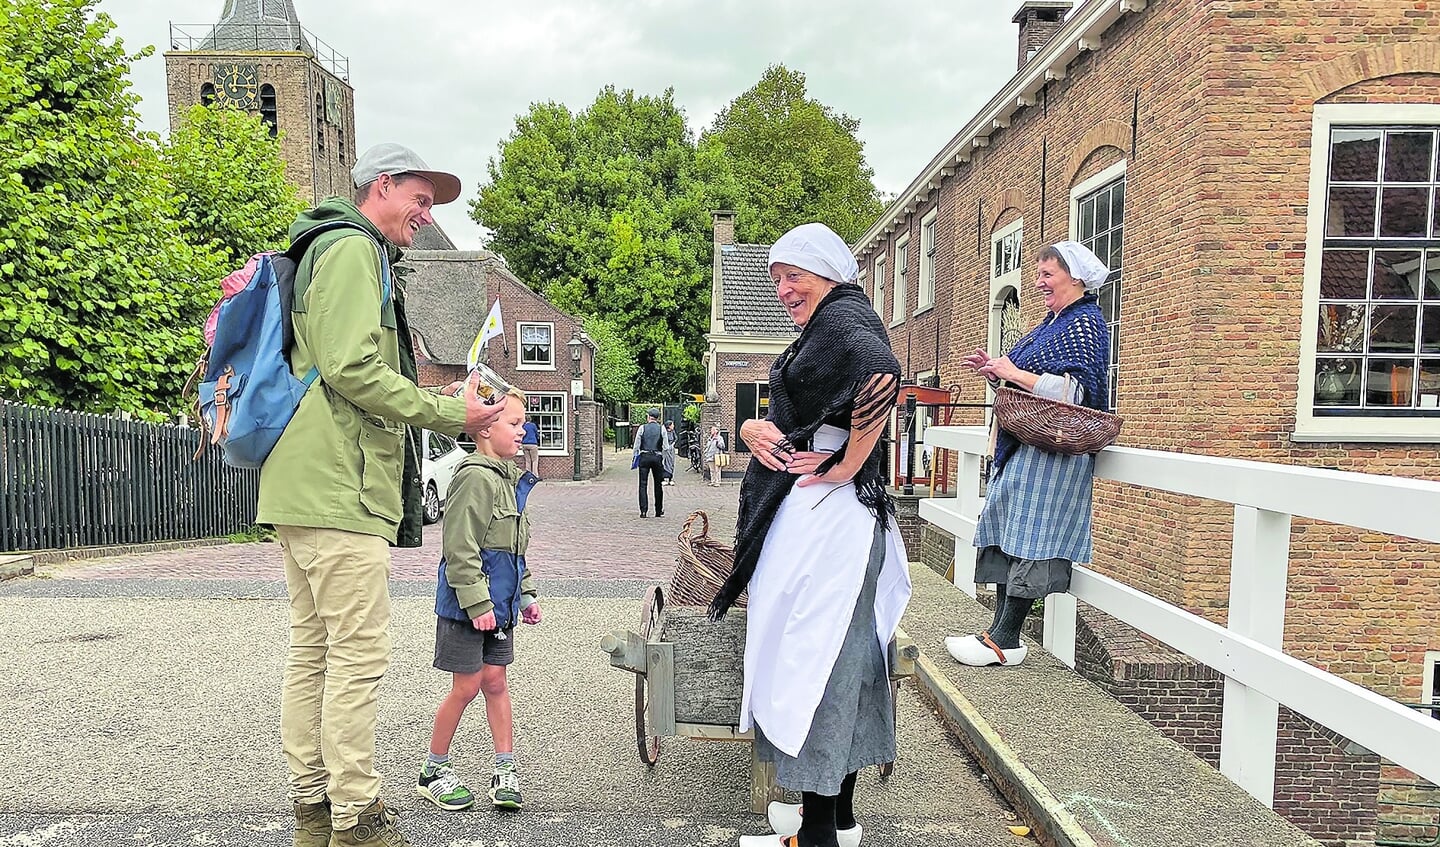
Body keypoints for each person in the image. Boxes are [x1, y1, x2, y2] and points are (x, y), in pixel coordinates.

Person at [257, 142, 504, 847]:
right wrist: (454, 412)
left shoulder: (322, 246)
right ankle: (357, 818)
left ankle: (314, 806)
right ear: (381, 186)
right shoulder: (352, 248)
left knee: (314, 650)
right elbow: (352, 368)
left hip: (301, 483)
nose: (426, 216)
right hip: (336, 485)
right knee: (357, 656)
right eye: (420, 200)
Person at [708, 223, 912, 847]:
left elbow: (881, 376)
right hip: (829, 520)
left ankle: (818, 832)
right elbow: (801, 414)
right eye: (775, 278)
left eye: (792, 275)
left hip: (836, 526)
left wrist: (847, 464)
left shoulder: (844, 321)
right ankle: (835, 821)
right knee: (839, 661)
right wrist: (751, 431)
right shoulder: (823, 328)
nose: (783, 289)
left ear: (826, 271)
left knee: (819, 662)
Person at [944, 241, 1112, 668]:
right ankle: (1000, 633)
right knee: (1008, 530)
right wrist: (995, 371)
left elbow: (1076, 394)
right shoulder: (1048, 324)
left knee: (1031, 537)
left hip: (1055, 449)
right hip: (1025, 442)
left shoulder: (1085, 324)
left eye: (1046, 275)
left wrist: (1012, 372)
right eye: (1038, 274)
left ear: (1074, 277)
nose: (1038, 283)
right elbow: (1023, 384)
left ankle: (1005, 638)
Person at [417, 388, 542, 813]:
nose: (524, 430)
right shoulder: (474, 477)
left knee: (496, 682)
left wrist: (524, 595)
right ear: (486, 428)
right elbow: (460, 548)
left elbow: (514, 549)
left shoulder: (506, 480)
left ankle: (505, 768)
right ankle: (433, 769)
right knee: (467, 686)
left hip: (500, 608)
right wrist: (478, 605)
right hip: (468, 609)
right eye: (514, 423)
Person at [632, 408, 665, 517]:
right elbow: (666, 446)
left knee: (643, 484)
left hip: (645, 456)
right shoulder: (662, 428)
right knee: (658, 484)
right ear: (657, 418)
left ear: (649, 417)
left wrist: (635, 457)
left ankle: (643, 511)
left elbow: (636, 445)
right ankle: (658, 510)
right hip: (657, 457)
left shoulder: (642, 428)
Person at [662, 420, 678, 485]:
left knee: (671, 463)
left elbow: (675, 438)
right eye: (672, 425)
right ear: (669, 426)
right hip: (665, 449)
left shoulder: (673, 432)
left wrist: (673, 444)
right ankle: (664, 479)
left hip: (671, 449)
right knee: (665, 463)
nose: (673, 426)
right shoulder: (664, 432)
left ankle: (671, 478)